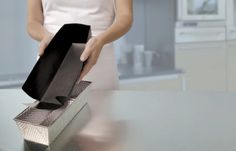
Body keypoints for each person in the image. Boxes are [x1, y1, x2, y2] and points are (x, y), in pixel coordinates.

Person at [27, 0, 133, 90]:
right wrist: (45, 36)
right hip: (51, 61)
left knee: (102, 112)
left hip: (99, 62)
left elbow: (125, 17)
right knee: (46, 112)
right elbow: (33, 21)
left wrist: (101, 40)